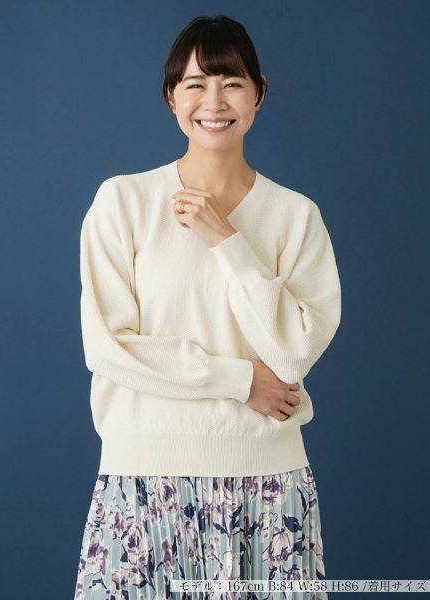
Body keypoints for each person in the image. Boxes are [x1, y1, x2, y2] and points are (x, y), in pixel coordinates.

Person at [73, 14, 341, 600]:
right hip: (144, 483)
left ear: (258, 94)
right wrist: (240, 381)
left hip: (267, 487)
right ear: (171, 98)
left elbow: (293, 356)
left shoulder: (296, 216)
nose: (214, 102)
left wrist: (228, 242)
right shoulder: (124, 202)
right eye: (195, 84)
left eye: (232, 83)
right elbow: (108, 348)